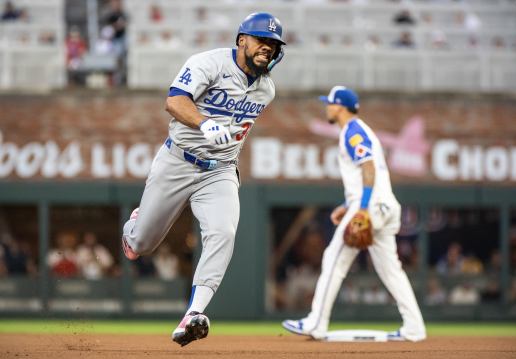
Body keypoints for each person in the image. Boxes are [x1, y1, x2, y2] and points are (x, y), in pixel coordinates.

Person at [121, 12, 285, 347]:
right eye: (261, 40)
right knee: (141, 245)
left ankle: (193, 314)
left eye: (273, 44)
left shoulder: (266, 90)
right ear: (242, 40)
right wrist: (205, 123)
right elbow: (174, 100)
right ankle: (134, 228)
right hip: (178, 160)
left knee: (223, 232)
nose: (267, 48)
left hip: (220, 170)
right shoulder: (208, 63)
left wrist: (222, 142)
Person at [282, 86, 426, 342]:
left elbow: (368, 166)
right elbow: (368, 173)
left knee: (333, 259)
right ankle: (414, 327)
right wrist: (349, 205)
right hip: (385, 205)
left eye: (329, 103)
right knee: (391, 270)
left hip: (370, 205)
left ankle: (316, 323)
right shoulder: (359, 130)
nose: (327, 107)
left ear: (340, 106)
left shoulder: (353, 131)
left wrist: (361, 207)